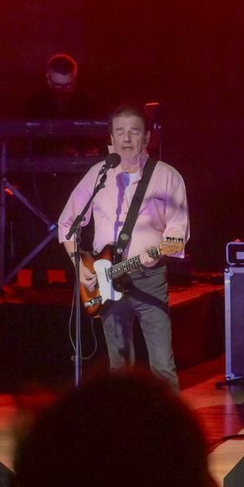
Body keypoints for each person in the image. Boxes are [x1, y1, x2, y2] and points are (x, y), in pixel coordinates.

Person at [59, 102, 190, 386]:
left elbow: (178, 233)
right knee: (118, 368)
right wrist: (79, 266)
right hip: (104, 279)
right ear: (111, 138)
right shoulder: (98, 175)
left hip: (149, 278)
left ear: (146, 138)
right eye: (120, 132)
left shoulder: (167, 176)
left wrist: (158, 249)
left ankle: (167, 427)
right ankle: (124, 427)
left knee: (162, 366)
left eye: (134, 132)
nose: (127, 139)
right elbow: (67, 224)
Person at [26, 52, 100, 120]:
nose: (63, 90)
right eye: (58, 85)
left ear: (75, 79)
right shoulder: (36, 103)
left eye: (68, 85)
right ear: (48, 79)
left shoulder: (87, 103)